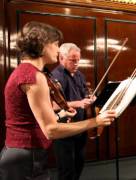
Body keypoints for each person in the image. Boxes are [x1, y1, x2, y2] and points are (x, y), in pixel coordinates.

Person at [0, 21, 116, 180]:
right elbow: (50, 130)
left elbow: (30, 119)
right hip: (27, 155)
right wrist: (95, 121)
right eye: (55, 44)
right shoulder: (34, 76)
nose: (57, 49)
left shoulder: (25, 71)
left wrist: (60, 115)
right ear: (42, 44)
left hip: (21, 153)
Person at [51, 43, 95, 180]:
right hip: (64, 128)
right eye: (72, 60)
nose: (76, 63)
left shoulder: (79, 75)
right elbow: (53, 105)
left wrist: (89, 99)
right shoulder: (55, 76)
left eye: (78, 60)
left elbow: (83, 97)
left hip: (80, 127)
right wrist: (79, 103)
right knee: (67, 171)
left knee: (79, 165)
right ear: (61, 58)